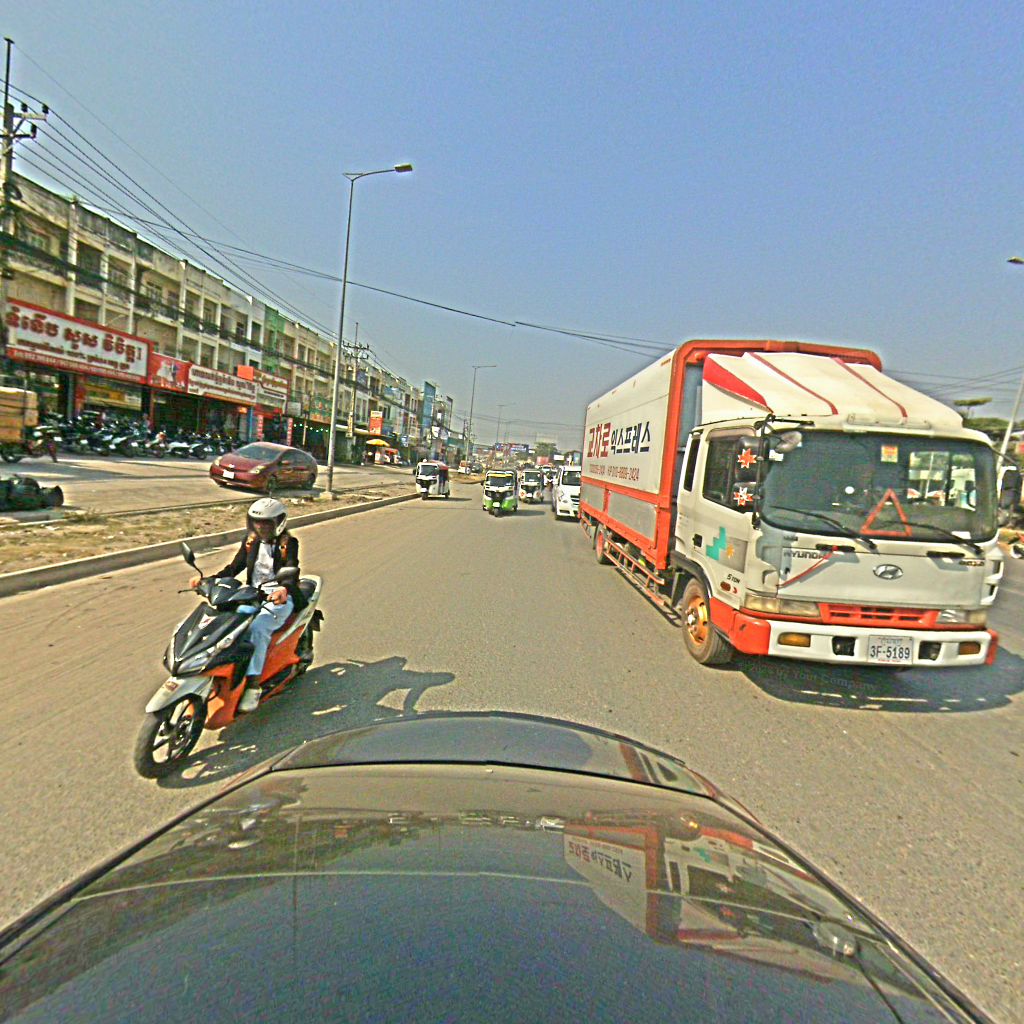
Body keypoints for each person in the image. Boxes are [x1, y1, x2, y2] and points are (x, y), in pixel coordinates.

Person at [191, 497, 305, 713]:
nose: (260, 527)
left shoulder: (288, 543)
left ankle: (253, 686)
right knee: (228, 622)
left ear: (278, 523)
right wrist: (208, 580)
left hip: (280, 596)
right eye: (256, 522)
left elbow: (291, 568)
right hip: (253, 594)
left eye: (266, 523)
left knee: (258, 628)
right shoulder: (250, 542)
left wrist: (284, 588)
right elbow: (234, 568)